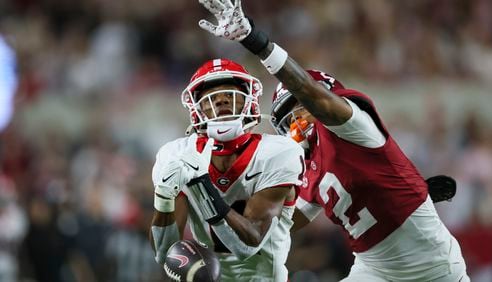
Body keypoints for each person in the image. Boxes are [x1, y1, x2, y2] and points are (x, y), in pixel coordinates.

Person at [197, 1, 469, 281]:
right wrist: (221, 216)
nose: (295, 122)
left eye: (300, 107)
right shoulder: (306, 163)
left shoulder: (353, 125)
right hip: (374, 267)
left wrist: (253, 40)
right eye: (287, 118)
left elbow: (310, 94)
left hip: (432, 263)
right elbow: (281, 224)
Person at [149, 58, 304, 281]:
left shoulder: (278, 153)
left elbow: (246, 246)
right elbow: (164, 253)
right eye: (211, 99)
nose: (221, 101)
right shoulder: (175, 154)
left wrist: (201, 184)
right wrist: (163, 196)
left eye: (231, 95)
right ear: (197, 109)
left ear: (249, 101)